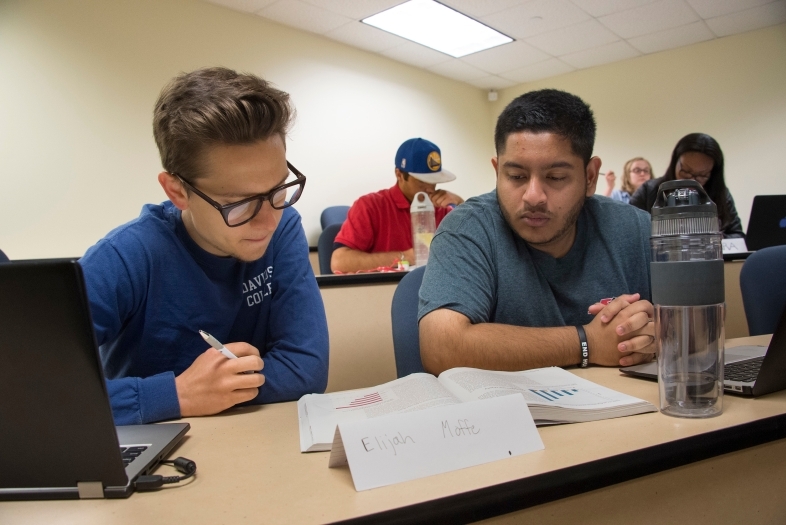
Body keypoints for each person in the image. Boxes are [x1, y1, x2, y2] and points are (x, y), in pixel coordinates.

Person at [80, 67, 329, 425]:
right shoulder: (126, 257)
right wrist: (177, 394)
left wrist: (216, 390)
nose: (267, 220)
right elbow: (32, 388)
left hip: (252, 444)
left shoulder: (284, 226)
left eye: (278, 190)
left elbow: (305, 369)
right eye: (239, 203)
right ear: (177, 191)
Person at [418, 89, 655, 375]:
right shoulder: (468, 228)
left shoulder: (639, 230)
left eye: (555, 177)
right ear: (497, 171)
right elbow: (442, 347)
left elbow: (701, 325)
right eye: (516, 176)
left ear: (590, 177)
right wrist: (588, 342)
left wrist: (653, 334)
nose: (533, 196)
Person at [331, 138, 464, 273]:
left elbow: (471, 254)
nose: (430, 188)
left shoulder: (442, 209)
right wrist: (406, 257)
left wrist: (462, 206)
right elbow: (339, 262)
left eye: (434, 180)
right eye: (422, 181)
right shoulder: (369, 207)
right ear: (399, 174)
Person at [630, 133, 744, 238]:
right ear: (675, 161)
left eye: (702, 175)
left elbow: (737, 235)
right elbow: (629, 232)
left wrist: (711, 240)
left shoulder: (721, 194)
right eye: (686, 171)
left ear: (713, 173)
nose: (692, 180)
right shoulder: (648, 190)